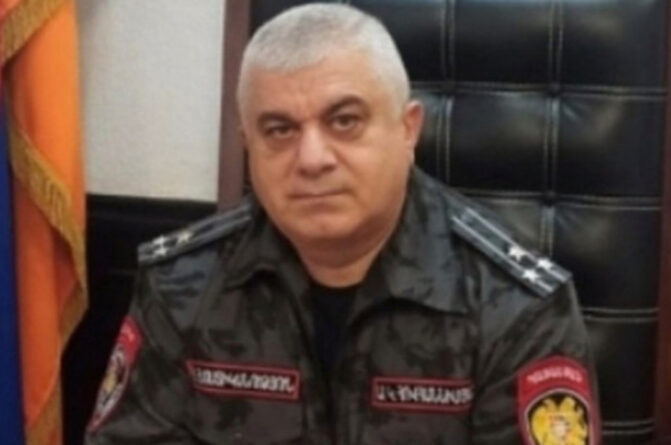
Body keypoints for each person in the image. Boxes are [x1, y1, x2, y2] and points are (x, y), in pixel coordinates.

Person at [85, 3, 600, 444]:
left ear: (407, 129)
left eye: (345, 121)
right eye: (279, 130)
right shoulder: (182, 286)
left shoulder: (515, 307)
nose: (312, 158)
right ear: (249, 147)